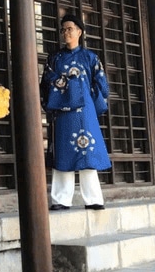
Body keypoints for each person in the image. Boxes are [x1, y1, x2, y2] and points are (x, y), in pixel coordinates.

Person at [41, 13, 111, 211]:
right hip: (63, 113)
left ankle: (94, 199)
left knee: (88, 152)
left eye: (69, 29)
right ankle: (61, 199)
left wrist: (84, 96)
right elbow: (47, 82)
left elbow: (102, 86)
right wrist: (72, 87)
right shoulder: (54, 58)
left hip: (86, 112)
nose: (66, 33)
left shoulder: (90, 57)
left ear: (79, 32)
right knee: (63, 154)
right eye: (63, 30)